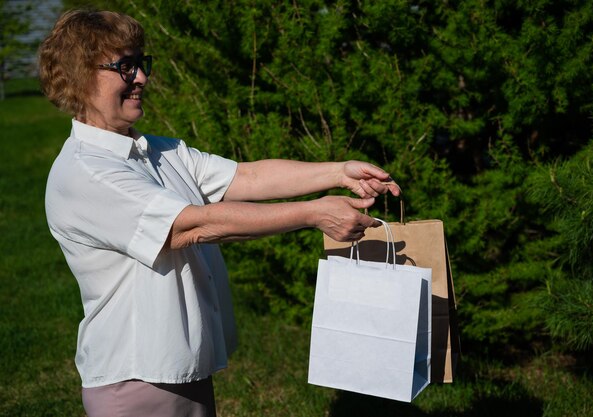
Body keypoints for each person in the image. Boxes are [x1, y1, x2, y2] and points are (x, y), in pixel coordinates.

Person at [39, 9, 400, 417]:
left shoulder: (157, 150)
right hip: (135, 377)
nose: (141, 77)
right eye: (125, 66)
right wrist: (315, 214)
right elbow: (194, 225)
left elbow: (248, 176)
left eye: (141, 63)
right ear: (80, 76)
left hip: (179, 367)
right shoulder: (88, 172)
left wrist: (338, 172)